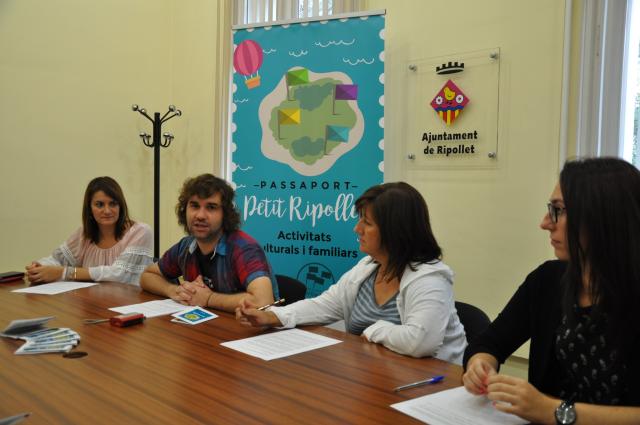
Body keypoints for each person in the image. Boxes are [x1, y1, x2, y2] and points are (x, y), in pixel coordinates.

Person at [462, 157, 640, 424]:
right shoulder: (548, 279)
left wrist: (553, 411)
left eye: (558, 210)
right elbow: (490, 342)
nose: (545, 223)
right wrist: (480, 364)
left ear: (602, 217)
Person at [236, 182, 467, 362]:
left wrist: (376, 330)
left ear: (395, 230)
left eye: (367, 223)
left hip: (425, 387)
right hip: (372, 378)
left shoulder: (430, 278)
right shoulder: (368, 267)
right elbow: (324, 305)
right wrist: (273, 316)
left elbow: (420, 343)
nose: (357, 229)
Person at [140, 174, 276, 313]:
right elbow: (147, 276)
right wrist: (174, 290)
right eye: (194, 206)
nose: (200, 215)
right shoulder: (185, 246)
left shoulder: (244, 248)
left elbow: (264, 301)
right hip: (204, 324)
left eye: (211, 207)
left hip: (244, 325)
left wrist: (209, 298)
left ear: (225, 214)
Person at [25, 176, 153, 286]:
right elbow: (57, 259)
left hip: (128, 304)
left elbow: (118, 274)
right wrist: (39, 267)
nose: (107, 211)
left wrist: (65, 272)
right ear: (89, 208)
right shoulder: (84, 234)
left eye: (113, 204)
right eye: (99, 204)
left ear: (121, 206)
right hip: (90, 302)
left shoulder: (141, 232)